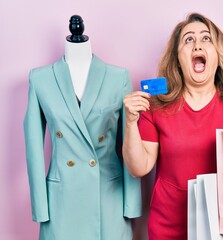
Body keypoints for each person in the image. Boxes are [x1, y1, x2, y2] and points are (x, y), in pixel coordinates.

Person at [122, 12, 223, 239]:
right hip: (167, 226)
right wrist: (130, 122)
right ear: (177, 57)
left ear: (218, 54)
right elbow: (139, 167)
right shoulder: (156, 105)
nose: (197, 44)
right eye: (188, 39)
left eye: (206, 38)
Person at [23, 15, 141, 240]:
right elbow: (33, 147)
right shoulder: (40, 79)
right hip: (61, 201)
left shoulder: (119, 77)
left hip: (108, 198)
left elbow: (129, 142)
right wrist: (40, 206)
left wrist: (132, 205)